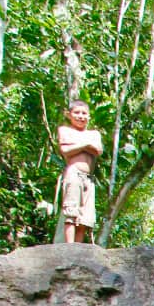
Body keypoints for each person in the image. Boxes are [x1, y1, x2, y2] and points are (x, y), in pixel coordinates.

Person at [55, 100, 102, 244]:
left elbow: (98, 150)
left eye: (84, 113)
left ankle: (78, 248)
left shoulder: (94, 133)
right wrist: (86, 144)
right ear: (69, 115)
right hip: (73, 173)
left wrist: (78, 145)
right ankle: (70, 246)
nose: (80, 116)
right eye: (77, 113)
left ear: (89, 116)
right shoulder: (65, 130)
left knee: (85, 217)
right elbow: (65, 151)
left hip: (88, 177)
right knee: (71, 211)